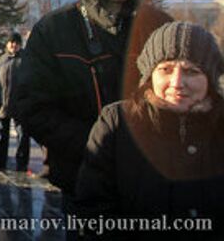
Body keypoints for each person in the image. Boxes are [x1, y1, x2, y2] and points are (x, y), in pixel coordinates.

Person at [15, 0, 146, 205]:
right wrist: (97, 143)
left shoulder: (154, 28)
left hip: (151, 184)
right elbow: (30, 107)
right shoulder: (54, 30)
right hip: (81, 184)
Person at [75, 22, 224, 240]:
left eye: (192, 71)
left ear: (209, 79)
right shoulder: (117, 123)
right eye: (166, 69)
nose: (177, 83)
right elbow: (93, 210)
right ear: (149, 75)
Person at [0, 32, 30, 172]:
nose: (14, 45)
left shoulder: (26, 59)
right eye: (11, 42)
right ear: (7, 43)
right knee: (1, 133)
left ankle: (22, 163)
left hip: (20, 104)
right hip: (3, 103)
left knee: (22, 135)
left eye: (16, 42)